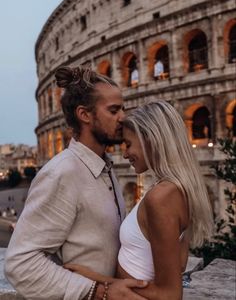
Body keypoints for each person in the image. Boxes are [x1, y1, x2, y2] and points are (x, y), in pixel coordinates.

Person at [4, 66, 148, 300]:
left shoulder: (104, 166)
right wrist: (100, 292)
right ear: (85, 115)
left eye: (123, 108)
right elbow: (21, 263)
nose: (123, 117)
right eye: (113, 110)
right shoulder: (62, 174)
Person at [65, 100, 213, 300]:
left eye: (128, 144)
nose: (125, 154)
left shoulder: (162, 197)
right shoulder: (179, 189)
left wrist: (95, 280)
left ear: (150, 140)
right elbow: (178, 266)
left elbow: (170, 294)